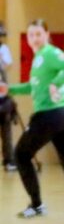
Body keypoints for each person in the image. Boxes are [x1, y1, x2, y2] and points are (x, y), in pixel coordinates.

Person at [0, 18, 64, 224]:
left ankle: (37, 205)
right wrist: (9, 89)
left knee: (21, 154)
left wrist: (56, 83)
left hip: (52, 114)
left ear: (46, 35)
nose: (34, 38)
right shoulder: (39, 58)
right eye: (31, 35)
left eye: (38, 34)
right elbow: (34, 87)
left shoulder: (48, 53)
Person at [0, 23, 16, 171]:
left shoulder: (3, 49)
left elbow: (7, 65)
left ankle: (9, 160)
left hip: (2, 96)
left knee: (6, 130)